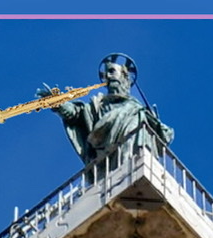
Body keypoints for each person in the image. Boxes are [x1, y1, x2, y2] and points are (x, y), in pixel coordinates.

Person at [38, 53, 174, 165]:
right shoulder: (97, 104)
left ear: (125, 75)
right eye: (106, 73)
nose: (108, 76)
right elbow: (74, 113)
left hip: (135, 153)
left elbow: (164, 135)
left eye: (112, 71)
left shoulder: (137, 108)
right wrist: (58, 104)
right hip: (107, 156)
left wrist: (157, 125)